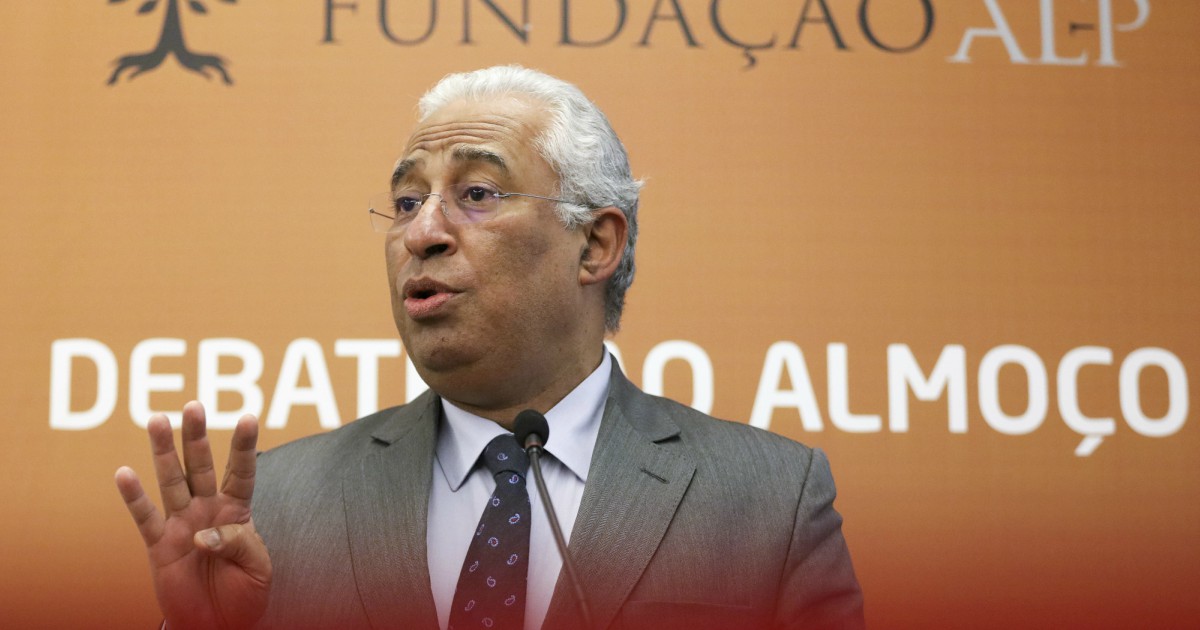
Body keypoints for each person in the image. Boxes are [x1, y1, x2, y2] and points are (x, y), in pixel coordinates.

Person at [115, 65, 864, 630]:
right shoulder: (275, 509)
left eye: (477, 194)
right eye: (407, 201)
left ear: (595, 244)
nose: (422, 232)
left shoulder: (769, 501)